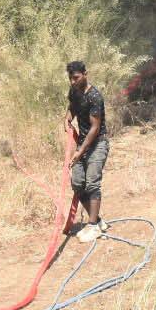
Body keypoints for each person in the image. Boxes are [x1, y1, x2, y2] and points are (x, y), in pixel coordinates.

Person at [64, 60, 109, 243]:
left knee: (92, 183)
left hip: (97, 144)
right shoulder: (74, 92)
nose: (73, 82)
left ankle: (91, 227)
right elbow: (72, 108)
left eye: (76, 78)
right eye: (70, 79)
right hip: (82, 146)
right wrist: (67, 120)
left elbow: (95, 128)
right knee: (77, 184)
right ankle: (97, 221)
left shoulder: (95, 96)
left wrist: (80, 152)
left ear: (85, 74)